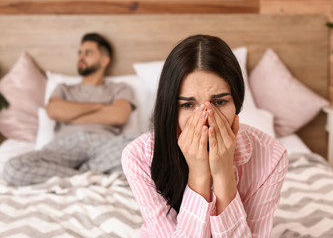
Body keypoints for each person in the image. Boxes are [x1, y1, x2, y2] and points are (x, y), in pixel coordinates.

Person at [121, 34, 288, 237]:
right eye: (188, 105)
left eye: (219, 102)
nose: (206, 119)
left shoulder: (271, 156)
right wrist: (199, 174)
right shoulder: (139, 156)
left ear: (237, 102)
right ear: (171, 110)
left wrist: (223, 173)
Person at [3, 33, 135, 186]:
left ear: (105, 60)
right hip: (64, 146)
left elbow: (118, 116)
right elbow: (53, 112)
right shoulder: (63, 89)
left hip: (104, 145)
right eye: (80, 53)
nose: (81, 57)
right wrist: (100, 107)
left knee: (144, 148)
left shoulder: (120, 88)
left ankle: (76, 176)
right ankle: (94, 176)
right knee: (12, 168)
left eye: (88, 53)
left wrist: (70, 114)